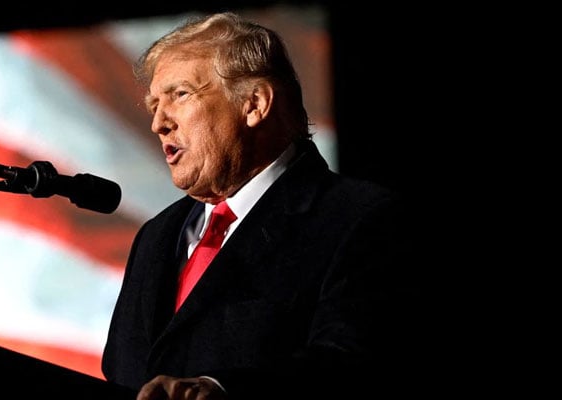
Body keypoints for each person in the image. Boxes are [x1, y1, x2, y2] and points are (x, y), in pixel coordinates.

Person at [102, 11, 423, 400]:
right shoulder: (156, 236)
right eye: (154, 104)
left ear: (254, 104)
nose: (158, 123)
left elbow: (352, 363)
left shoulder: (360, 219)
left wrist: (221, 390)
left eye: (180, 95)